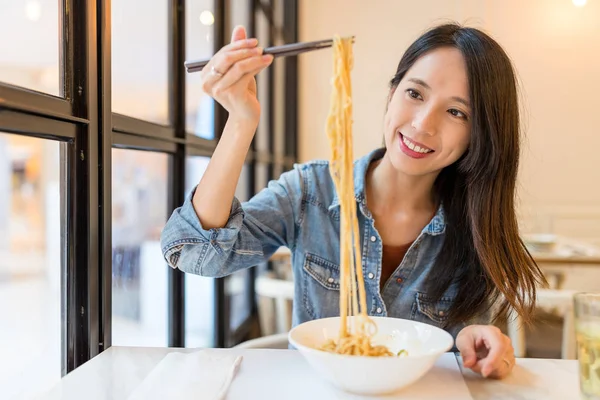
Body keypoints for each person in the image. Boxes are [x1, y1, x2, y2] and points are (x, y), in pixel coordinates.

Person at [161, 23, 547, 379]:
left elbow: (464, 340)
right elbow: (194, 253)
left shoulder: (475, 225)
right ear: (392, 91)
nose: (423, 124)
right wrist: (241, 120)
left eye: (456, 112)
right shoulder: (311, 190)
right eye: (415, 93)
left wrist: (476, 338)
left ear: (480, 134)